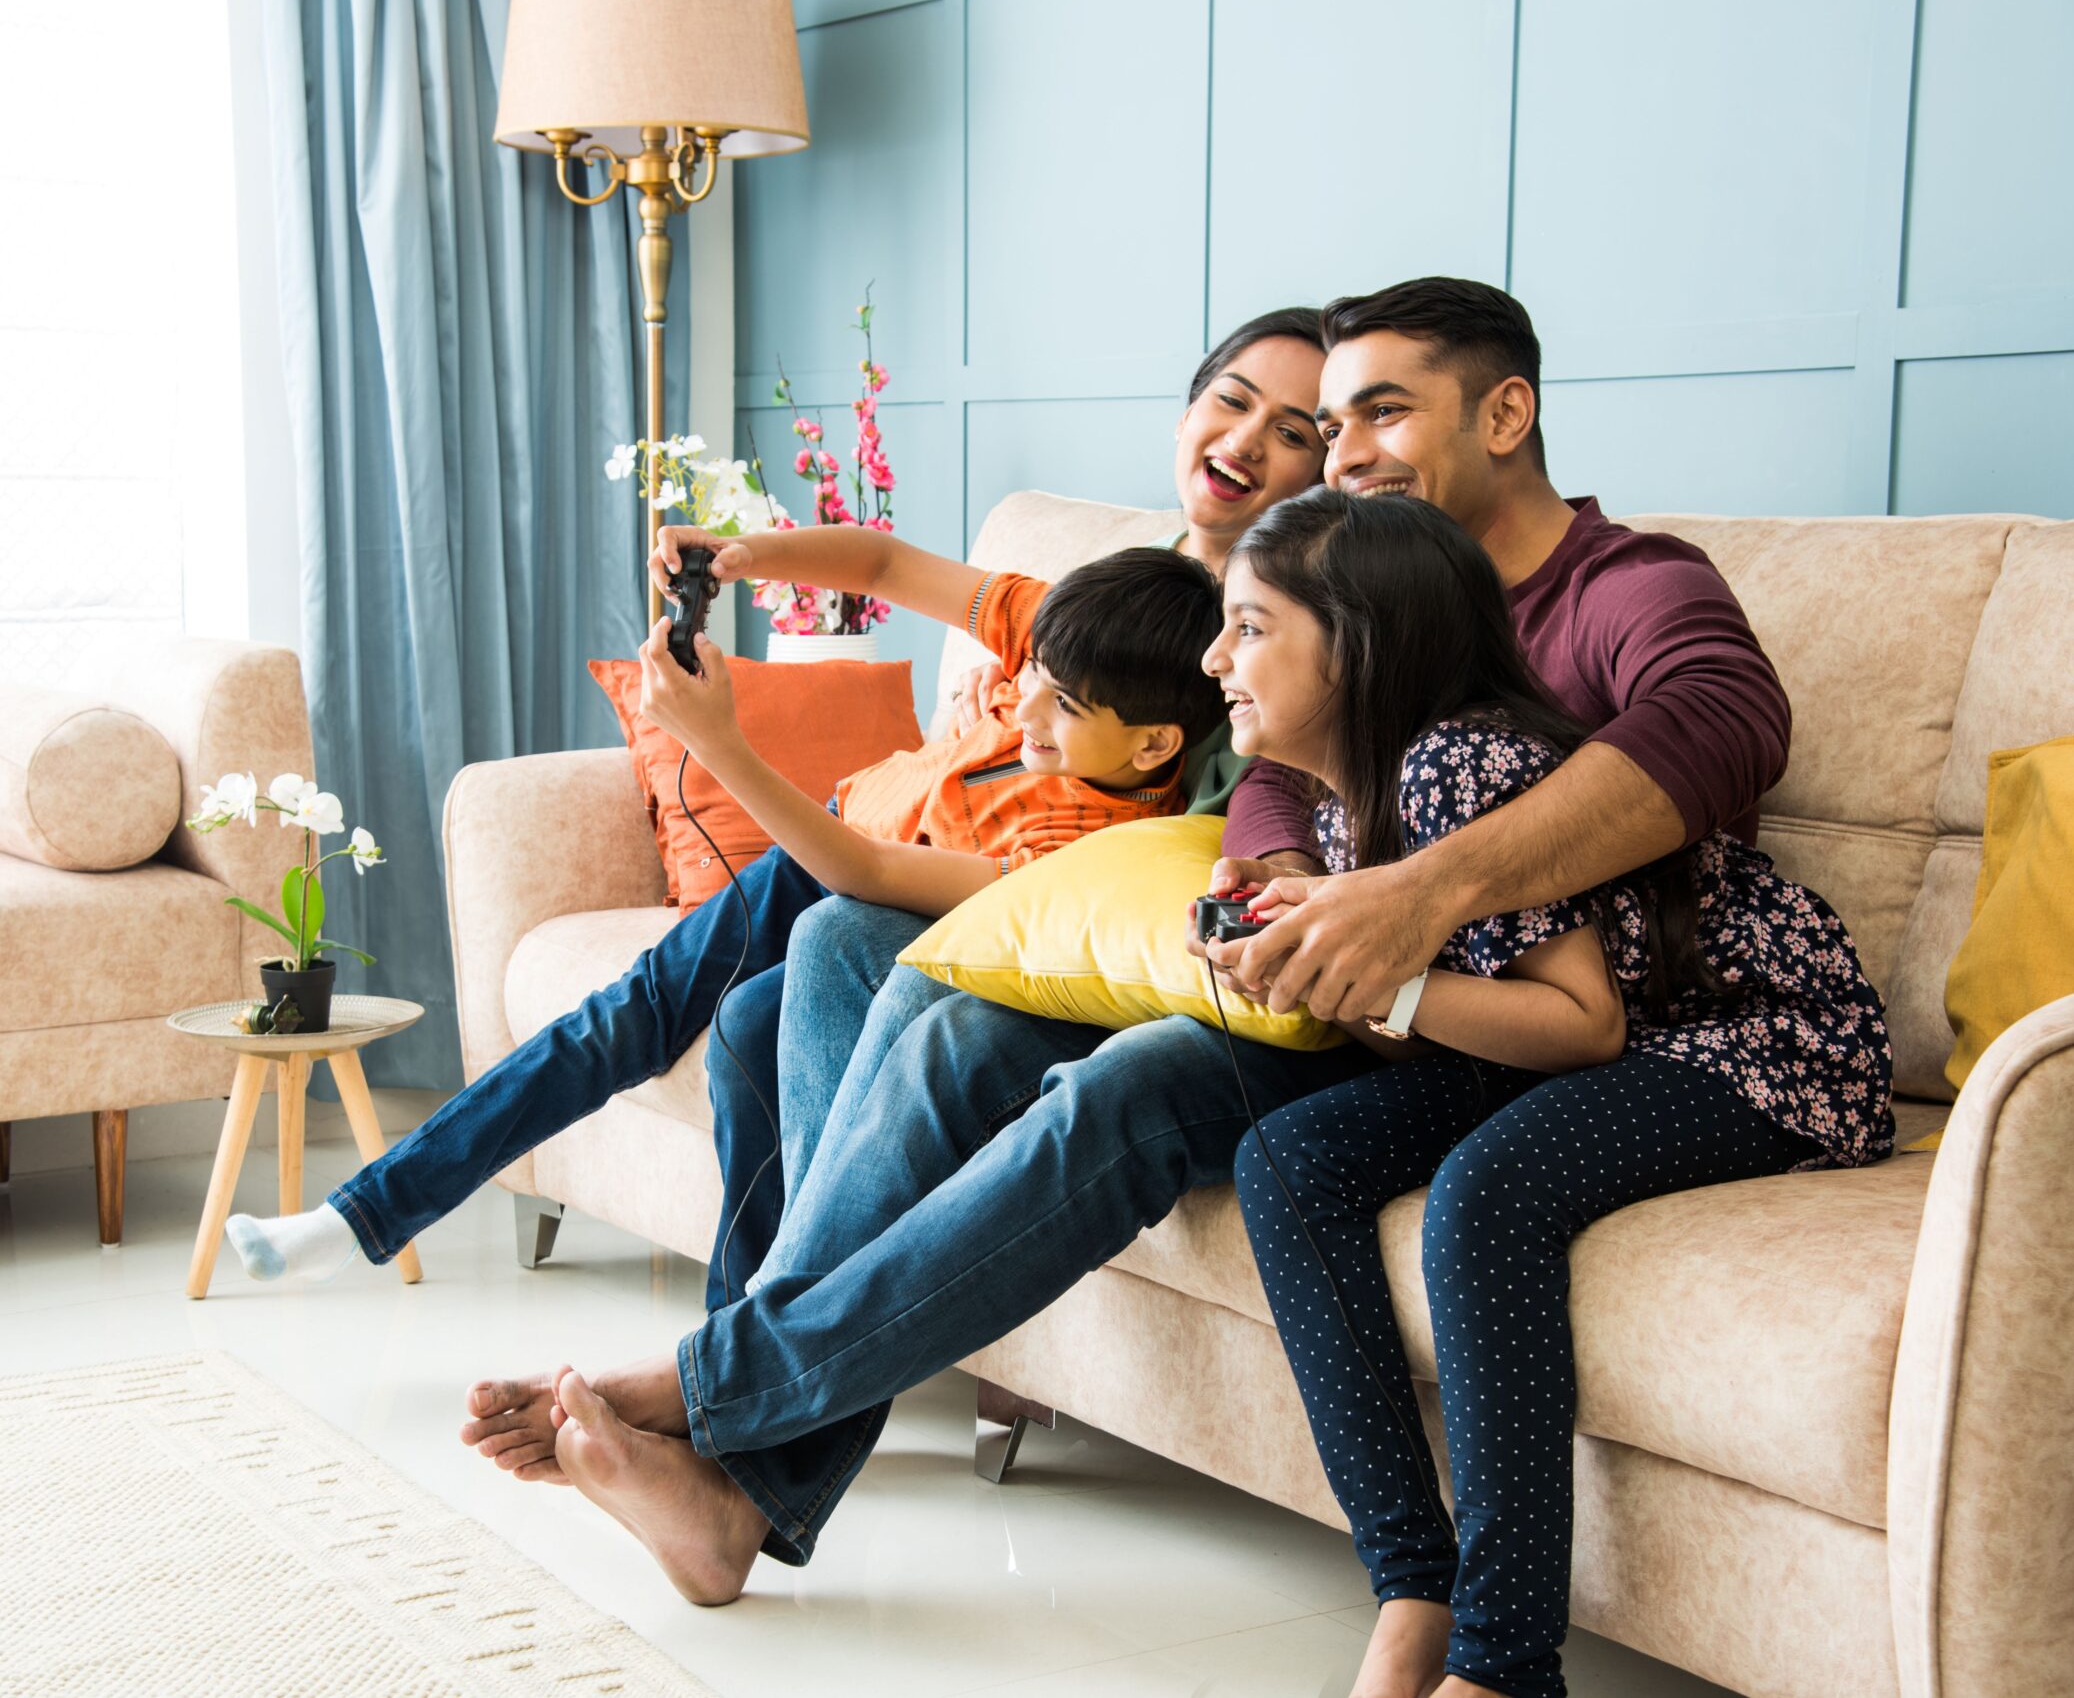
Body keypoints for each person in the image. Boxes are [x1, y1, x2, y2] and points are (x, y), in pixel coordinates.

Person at [461, 278, 1800, 1610]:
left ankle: (718, 1400)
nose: (1344, 453)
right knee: (896, 984)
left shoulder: (1624, 587)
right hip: (1314, 975)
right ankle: (746, 1466)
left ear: (1503, 414)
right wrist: (1280, 880)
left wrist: (1416, 897)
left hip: (1448, 1014)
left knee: (1123, 1082)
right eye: (1333, 426)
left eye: (1376, 415)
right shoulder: (1339, 577)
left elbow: (1724, 725)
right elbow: (1273, 781)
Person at [221, 306, 1327, 1297]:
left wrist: (722, 741)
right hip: (853, 842)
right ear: (1190, 407)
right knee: (646, 1017)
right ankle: (390, 1223)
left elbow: (944, 874)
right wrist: (744, 556)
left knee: (708, 1019)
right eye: (1231, 401)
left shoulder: (1238, 674)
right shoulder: (1098, 597)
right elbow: (886, 566)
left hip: (900, 889)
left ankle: (727, 1340)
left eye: (1290, 431)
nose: (1244, 441)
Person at [1207, 487, 1893, 1698]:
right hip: (1611, 1045)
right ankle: (1412, 1586)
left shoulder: (1458, 764)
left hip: (1754, 1039)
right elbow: (1436, 1039)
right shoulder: (1342, 811)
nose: (1217, 659)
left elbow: (1583, 1024)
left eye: (1250, 626)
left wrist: (1387, 980)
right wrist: (1317, 971)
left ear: (1357, 644)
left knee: (1490, 1189)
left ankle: (1503, 1664)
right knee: (1287, 1160)